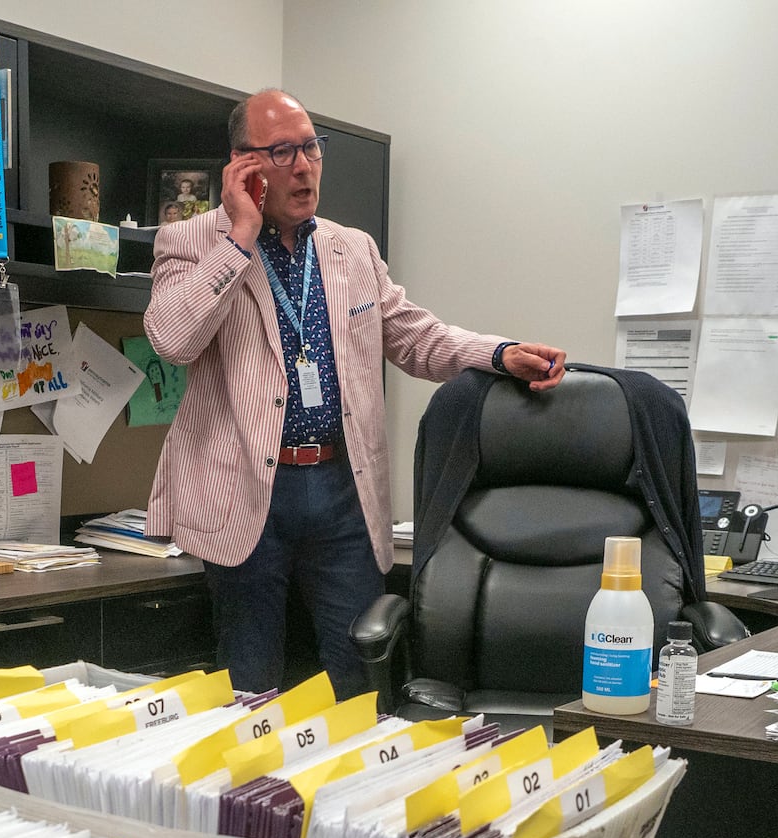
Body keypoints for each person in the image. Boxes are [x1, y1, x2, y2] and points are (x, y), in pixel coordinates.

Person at [143, 89, 566, 698]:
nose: (304, 165)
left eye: (311, 147)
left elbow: (417, 337)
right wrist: (239, 235)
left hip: (341, 490)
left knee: (361, 681)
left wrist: (499, 354)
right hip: (244, 494)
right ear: (241, 166)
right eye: (282, 151)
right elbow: (173, 340)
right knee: (247, 685)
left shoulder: (352, 250)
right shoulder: (190, 243)